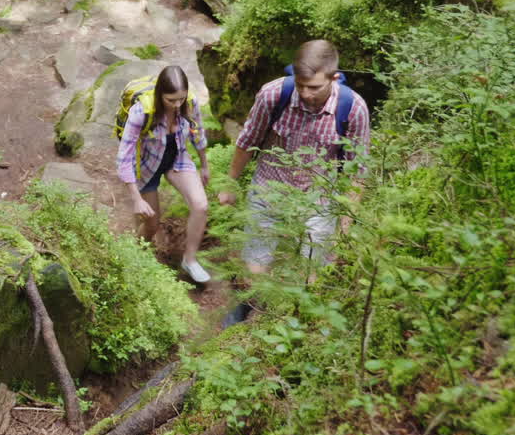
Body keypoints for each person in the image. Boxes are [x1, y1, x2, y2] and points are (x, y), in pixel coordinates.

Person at [217, 40, 371, 279]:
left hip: (319, 199)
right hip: (268, 190)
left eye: (314, 87)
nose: (305, 94)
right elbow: (247, 142)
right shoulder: (274, 95)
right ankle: (250, 308)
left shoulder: (353, 108)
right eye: (300, 85)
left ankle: (293, 313)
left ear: (334, 77)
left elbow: (356, 172)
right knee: (255, 268)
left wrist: (344, 226)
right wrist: (230, 185)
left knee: (312, 272)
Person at [116, 65, 212, 283]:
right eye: (171, 100)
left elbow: (198, 131)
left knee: (201, 205)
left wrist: (204, 164)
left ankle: (190, 260)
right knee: (151, 223)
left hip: (176, 157)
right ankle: (134, 257)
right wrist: (136, 198)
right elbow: (124, 157)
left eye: (181, 99)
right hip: (145, 165)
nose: (177, 105)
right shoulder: (141, 112)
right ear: (160, 95)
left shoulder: (189, 102)